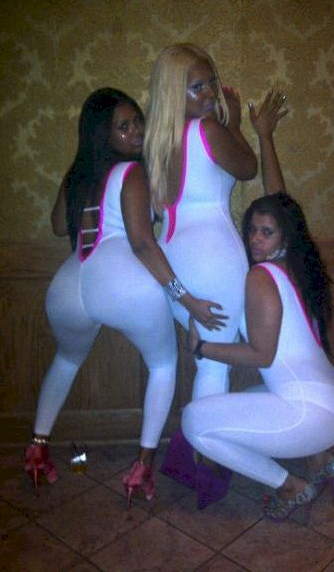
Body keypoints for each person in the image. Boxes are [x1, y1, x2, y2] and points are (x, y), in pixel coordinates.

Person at [24, 88, 225, 506]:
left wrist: (76, 187)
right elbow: (142, 244)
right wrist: (186, 300)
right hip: (122, 282)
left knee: (66, 359)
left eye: (137, 121)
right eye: (123, 126)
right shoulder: (132, 172)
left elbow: (59, 226)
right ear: (104, 135)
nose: (136, 131)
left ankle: (37, 450)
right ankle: (142, 466)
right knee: (163, 364)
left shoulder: (77, 176)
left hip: (68, 285)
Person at [182, 90, 334, 521]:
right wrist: (264, 135)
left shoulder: (260, 277)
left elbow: (261, 354)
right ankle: (320, 458)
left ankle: (290, 485)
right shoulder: (294, 265)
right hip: (332, 399)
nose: (256, 239)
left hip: (313, 411)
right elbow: (281, 204)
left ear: (282, 237)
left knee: (195, 422)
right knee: (240, 403)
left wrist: (202, 348)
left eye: (266, 233)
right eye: (252, 231)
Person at [143, 44, 258, 497]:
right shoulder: (209, 130)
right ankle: (202, 466)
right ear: (175, 92)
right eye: (197, 87)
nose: (210, 93)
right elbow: (248, 168)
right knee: (213, 366)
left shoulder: (156, 142)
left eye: (211, 82)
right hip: (213, 256)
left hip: (175, 259)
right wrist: (236, 125)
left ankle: (194, 458)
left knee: (205, 358)